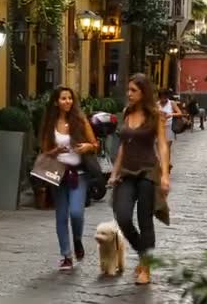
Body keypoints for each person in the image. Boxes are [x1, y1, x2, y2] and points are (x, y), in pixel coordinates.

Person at [109, 74, 171, 285]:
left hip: (147, 172)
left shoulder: (156, 116)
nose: (129, 93)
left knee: (145, 221)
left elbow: (162, 145)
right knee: (123, 216)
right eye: (128, 90)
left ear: (143, 92)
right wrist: (114, 172)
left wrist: (164, 175)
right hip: (127, 172)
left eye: (133, 90)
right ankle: (144, 253)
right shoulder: (127, 112)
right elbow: (123, 146)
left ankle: (146, 267)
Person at [40, 86, 99, 271]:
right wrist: (55, 151)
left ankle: (78, 240)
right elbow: (44, 152)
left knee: (76, 213)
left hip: (78, 174)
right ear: (56, 102)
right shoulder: (50, 123)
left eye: (70, 98)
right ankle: (66, 255)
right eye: (63, 98)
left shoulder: (80, 120)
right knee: (61, 215)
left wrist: (87, 147)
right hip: (57, 174)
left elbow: (95, 144)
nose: (67, 101)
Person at [157, 89, 183, 169]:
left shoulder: (171, 103)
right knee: (159, 147)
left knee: (167, 147)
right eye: (161, 97)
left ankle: (166, 164)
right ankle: (163, 163)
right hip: (159, 127)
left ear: (167, 96)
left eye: (165, 97)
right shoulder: (156, 104)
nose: (163, 99)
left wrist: (171, 114)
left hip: (169, 126)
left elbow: (180, 113)